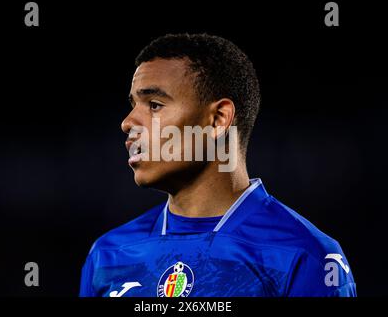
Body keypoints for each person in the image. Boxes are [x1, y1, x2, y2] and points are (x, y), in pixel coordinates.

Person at [79, 33, 356, 297]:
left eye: (154, 105)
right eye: (133, 104)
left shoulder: (304, 256)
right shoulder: (108, 256)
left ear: (218, 119)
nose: (127, 123)